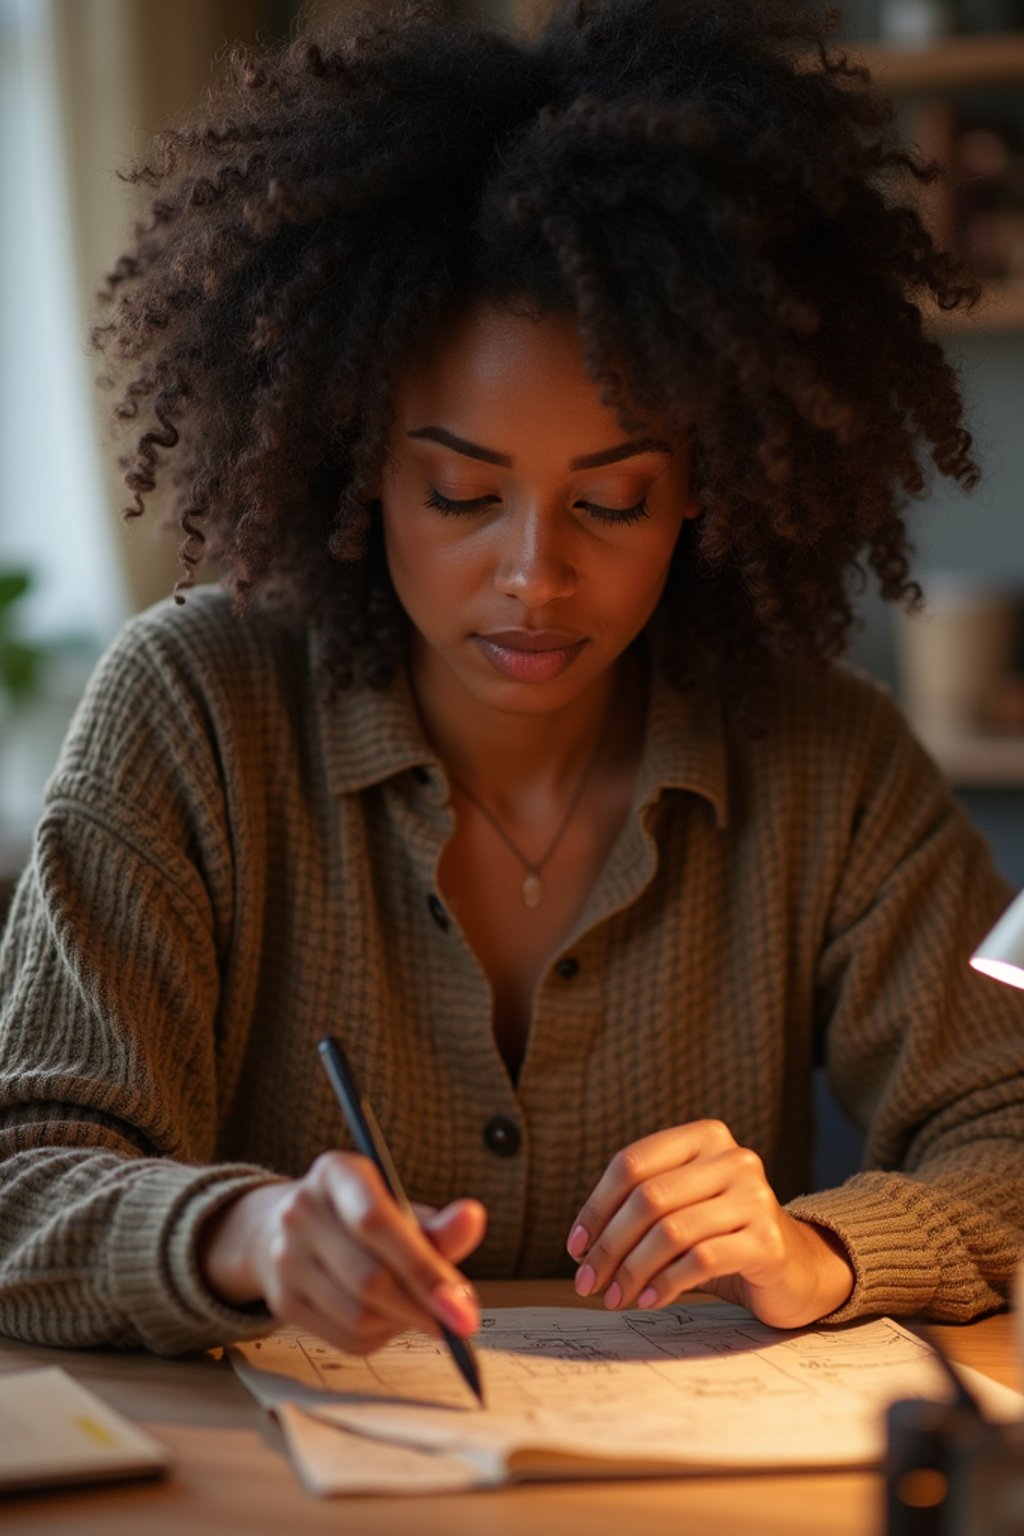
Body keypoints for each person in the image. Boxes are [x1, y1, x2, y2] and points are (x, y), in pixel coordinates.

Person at [1, 0, 1022, 1362]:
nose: (534, 578)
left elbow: (1007, 1131)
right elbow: (25, 1177)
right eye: (462, 493)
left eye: (611, 503)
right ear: (357, 461)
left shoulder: (825, 755)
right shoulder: (195, 711)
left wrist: (819, 1251)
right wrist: (243, 1238)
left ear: (706, 490)